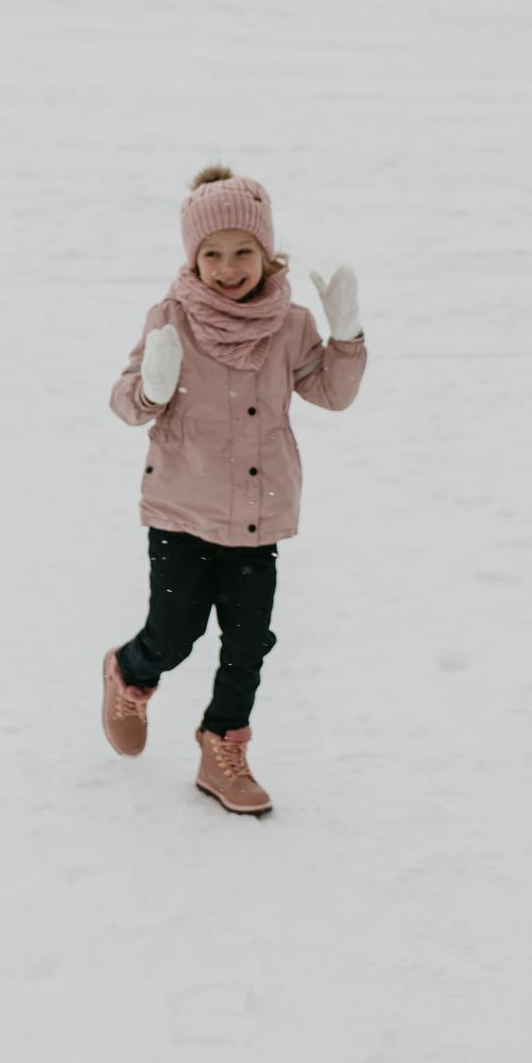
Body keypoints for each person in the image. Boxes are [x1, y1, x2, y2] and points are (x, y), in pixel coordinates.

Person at [99, 165, 367, 815]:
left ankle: (222, 743)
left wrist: (346, 336)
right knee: (175, 631)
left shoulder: (292, 324)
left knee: (248, 643)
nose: (227, 266)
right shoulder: (171, 317)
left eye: (242, 251)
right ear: (192, 258)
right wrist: (151, 389)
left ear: (266, 252)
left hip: (258, 512)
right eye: (211, 254)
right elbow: (125, 405)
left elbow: (331, 394)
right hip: (181, 509)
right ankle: (131, 674)